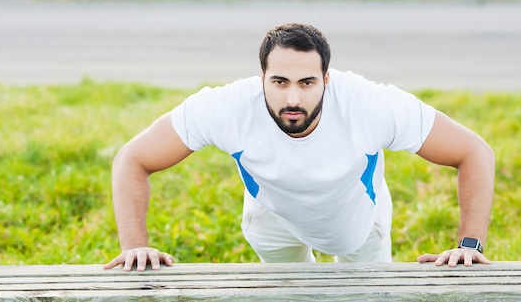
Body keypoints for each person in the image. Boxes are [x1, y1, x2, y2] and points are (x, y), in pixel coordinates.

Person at [104, 23, 495, 272]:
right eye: (279, 82)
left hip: (355, 223)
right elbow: (132, 160)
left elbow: (474, 152)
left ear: (327, 79)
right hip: (272, 219)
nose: (293, 97)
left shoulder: (371, 104)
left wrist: (469, 245)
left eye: (307, 83)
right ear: (261, 78)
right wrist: (134, 247)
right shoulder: (226, 106)